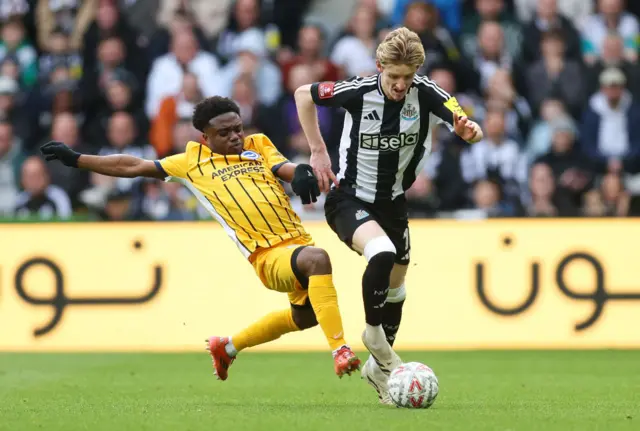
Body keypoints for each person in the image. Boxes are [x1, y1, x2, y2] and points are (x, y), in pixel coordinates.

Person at [40, 96, 360, 380]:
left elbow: (284, 168)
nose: (236, 136)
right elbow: (133, 165)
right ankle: (340, 351)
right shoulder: (190, 163)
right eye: (225, 132)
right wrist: (78, 159)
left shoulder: (258, 144)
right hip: (267, 255)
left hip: (296, 241)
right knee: (318, 260)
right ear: (205, 137)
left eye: (238, 128)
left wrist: (301, 171)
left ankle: (228, 347)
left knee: (304, 318)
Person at [294, 27, 483, 404]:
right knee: (381, 253)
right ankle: (373, 335)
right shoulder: (359, 91)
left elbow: (468, 126)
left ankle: (380, 372)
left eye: (406, 78)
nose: (399, 85)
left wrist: (469, 132)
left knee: (397, 287)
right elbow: (304, 94)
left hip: (393, 203)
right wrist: (317, 150)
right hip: (348, 199)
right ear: (379, 66)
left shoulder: (428, 94)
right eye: (393, 76)